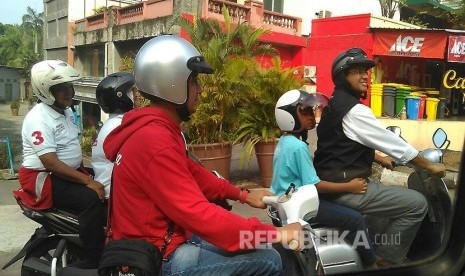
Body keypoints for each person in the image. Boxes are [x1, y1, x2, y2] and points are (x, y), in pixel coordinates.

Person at [103, 35, 304, 275]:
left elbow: (193, 173)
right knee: (269, 258)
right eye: (194, 80)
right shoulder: (155, 141)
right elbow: (199, 213)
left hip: (155, 244)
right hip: (158, 258)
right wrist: (275, 233)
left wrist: (243, 195)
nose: (199, 89)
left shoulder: (155, 129)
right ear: (172, 82)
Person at [313, 47, 446, 266]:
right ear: (343, 76)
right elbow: (393, 143)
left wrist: (378, 158)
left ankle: (373, 247)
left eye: (366, 71)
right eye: (357, 71)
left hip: (334, 182)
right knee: (417, 204)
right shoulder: (355, 111)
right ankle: (386, 260)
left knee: (390, 198)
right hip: (348, 188)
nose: (365, 76)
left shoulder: (333, 105)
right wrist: (429, 166)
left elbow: (341, 143)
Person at [272, 89, 377, 268]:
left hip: (284, 203)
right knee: (355, 218)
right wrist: (349, 187)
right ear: (290, 116)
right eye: (305, 112)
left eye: (312, 111)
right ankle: (372, 264)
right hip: (302, 206)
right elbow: (316, 185)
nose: (312, 116)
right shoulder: (298, 147)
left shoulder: (284, 142)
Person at [15, 60, 106, 267]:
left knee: (109, 178)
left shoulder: (64, 111)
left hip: (63, 172)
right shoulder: (38, 118)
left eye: (69, 87)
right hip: (42, 178)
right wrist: (88, 182)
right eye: (61, 88)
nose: (69, 92)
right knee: (90, 199)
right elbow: (51, 163)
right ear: (45, 91)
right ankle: (93, 259)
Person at [92, 72, 135, 199]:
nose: (136, 95)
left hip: (114, 190)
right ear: (120, 96)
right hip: (114, 196)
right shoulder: (119, 126)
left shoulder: (116, 122)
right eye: (131, 92)